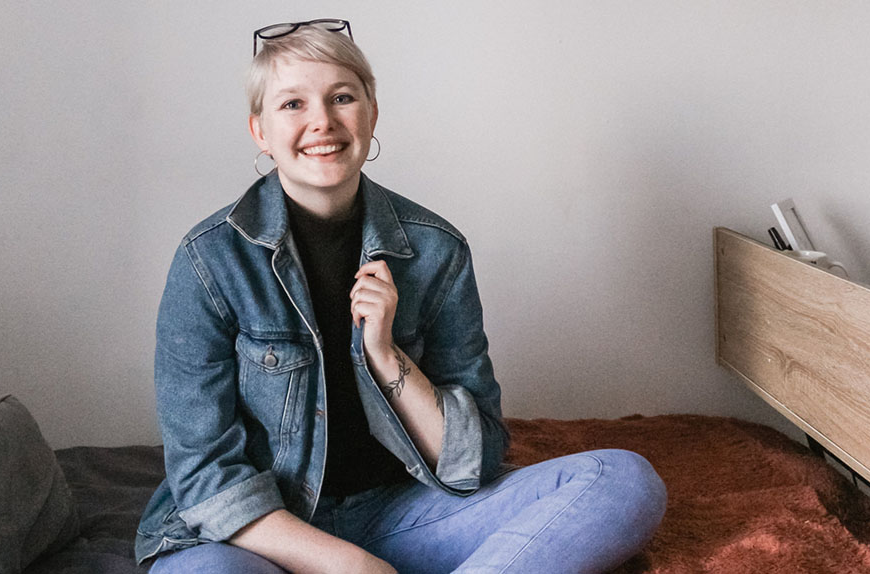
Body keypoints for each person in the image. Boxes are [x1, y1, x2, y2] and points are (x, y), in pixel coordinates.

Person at [135, 19, 667, 574]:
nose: (322, 121)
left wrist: (387, 356)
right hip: (260, 536)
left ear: (371, 113)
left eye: (342, 97)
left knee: (622, 481)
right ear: (260, 132)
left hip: (397, 517)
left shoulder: (436, 251)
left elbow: (474, 460)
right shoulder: (209, 259)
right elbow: (204, 476)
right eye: (292, 104)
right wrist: (354, 567)